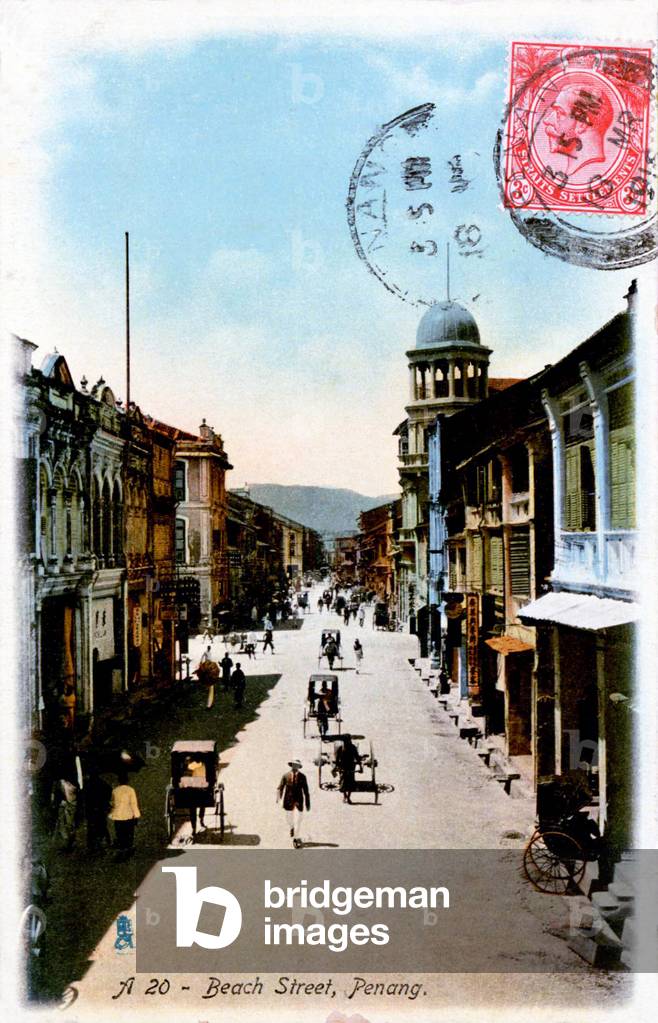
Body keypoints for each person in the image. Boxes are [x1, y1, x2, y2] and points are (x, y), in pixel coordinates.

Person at [276, 758, 310, 848]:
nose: (295, 767)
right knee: (289, 819)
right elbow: (280, 788)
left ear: (299, 767)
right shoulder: (285, 776)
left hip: (299, 801)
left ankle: (295, 838)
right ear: (291, 765)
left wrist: (307, 803)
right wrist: (278, 799)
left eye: (297, 765)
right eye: (294, 765)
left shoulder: (303, 777)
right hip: (288, 800)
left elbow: (306, 790)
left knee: (299, 820)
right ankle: (291, 827)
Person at [109, 771, 140, 860]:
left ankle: (122, 850)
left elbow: (112, 803)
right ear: (127, 780)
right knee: (129, 834)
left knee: (120, 834)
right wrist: (136, 816)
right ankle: (127, 850)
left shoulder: (115, 790)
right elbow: (134, 804)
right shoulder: (130, 790)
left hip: (118, 816)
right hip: (128, 816)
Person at [84, 766, 112, 852]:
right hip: (100, 808)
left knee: (91, 827)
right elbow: (109, 790)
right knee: (102, 825)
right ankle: (105, 842)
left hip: (90, 809)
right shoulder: (102, 783)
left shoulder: (87, 784)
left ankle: (92, 845)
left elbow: (83, 797)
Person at [183, 755, 207, 839]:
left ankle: (193, 828)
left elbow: (187, 780)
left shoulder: (190, 766)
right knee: (203, 802)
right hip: (203, 790)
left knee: (192, 808)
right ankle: (201, 819)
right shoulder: (204, 766)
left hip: (193, 791)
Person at [333, 735, 362, 804]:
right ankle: (346, 796)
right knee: (345, 782)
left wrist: (360, 766)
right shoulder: (344, 748)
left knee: (348, 782)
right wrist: (336, 766)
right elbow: (337, 759)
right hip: (345, 767)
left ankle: (347, 797)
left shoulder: (350, 747)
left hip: (349, 767)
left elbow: (357, 757)